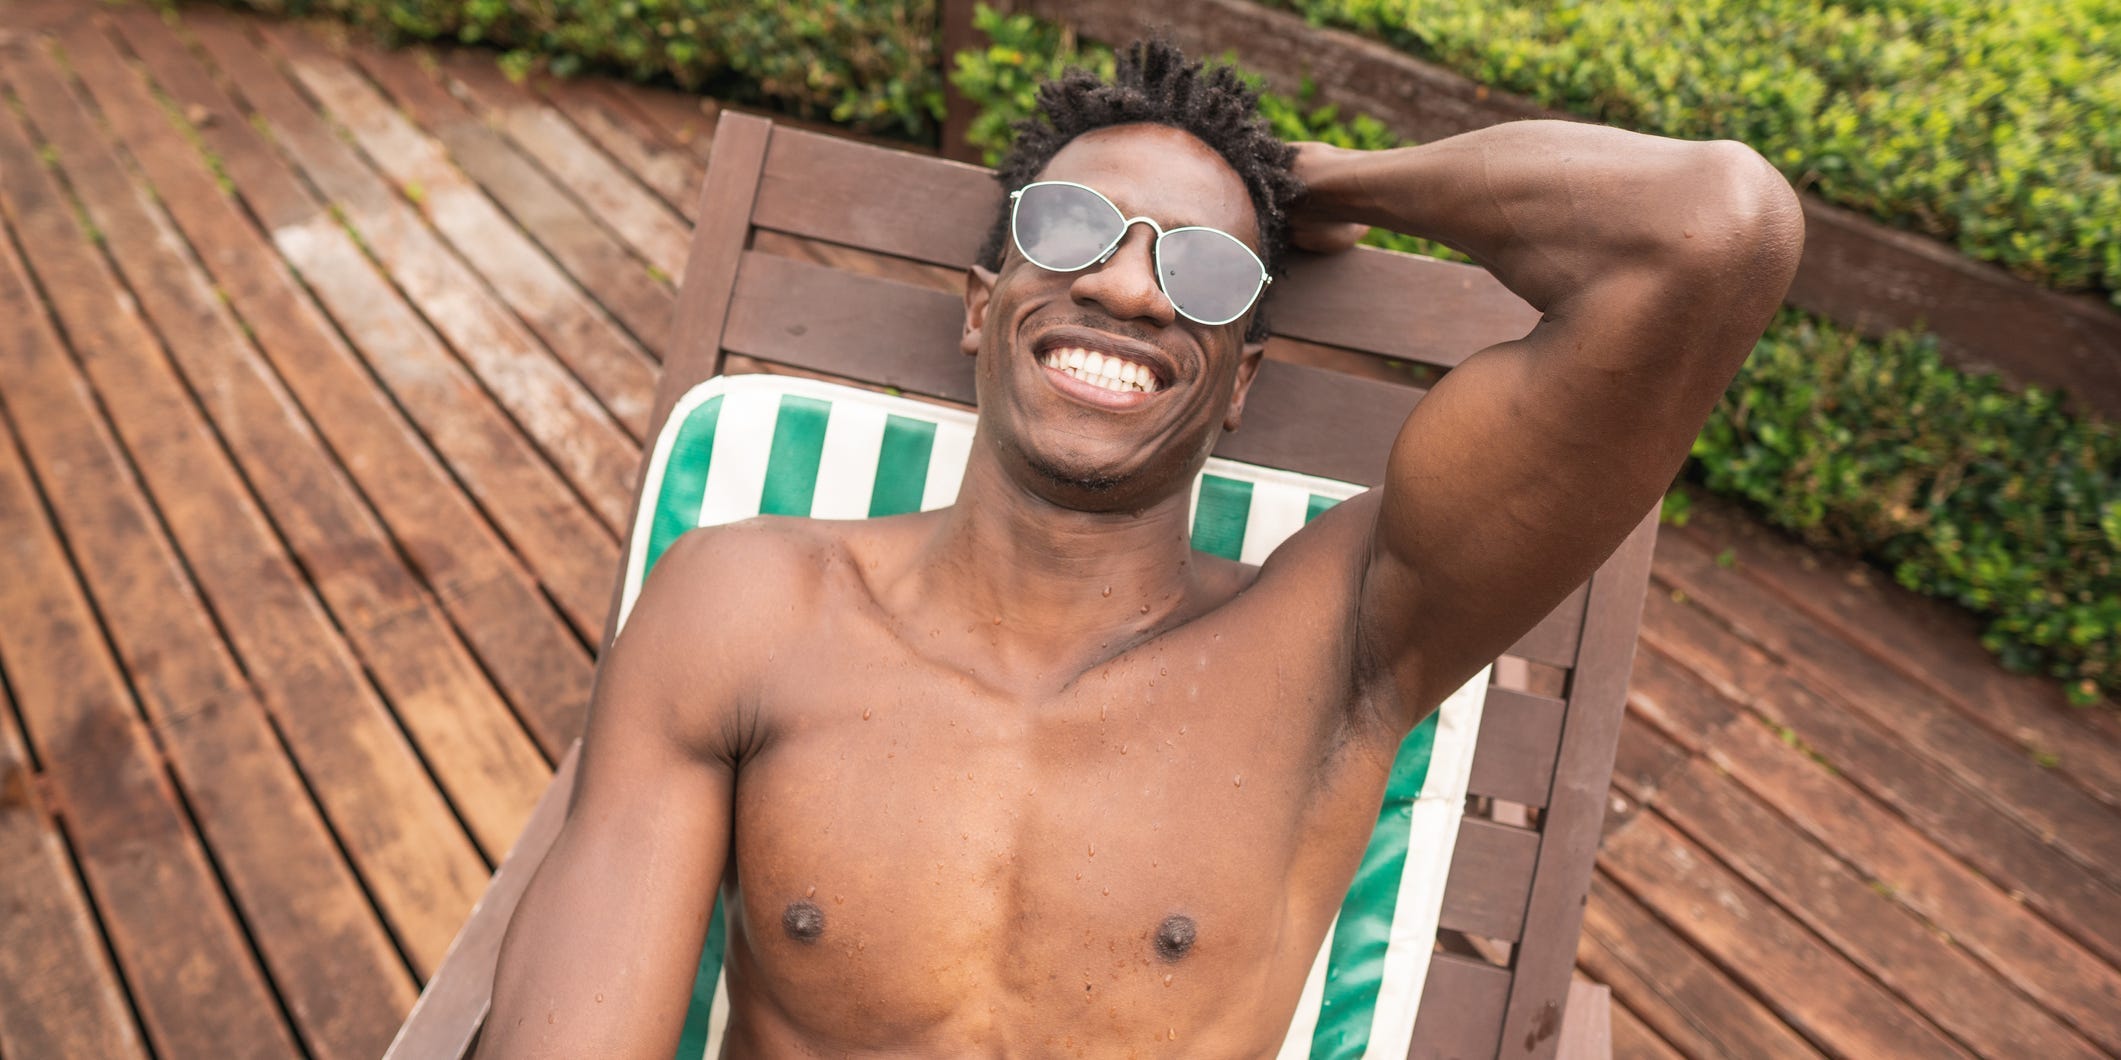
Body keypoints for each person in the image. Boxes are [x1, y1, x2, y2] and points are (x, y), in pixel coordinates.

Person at [479, 38, 1801, 1058]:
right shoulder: (746, 606)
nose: (1125, 285)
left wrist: (1315, 184)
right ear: (978, 308)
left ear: (1236, 382)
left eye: (1208, 270)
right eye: (1070, 229)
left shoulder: (1340, 646)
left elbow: (1713, 228)